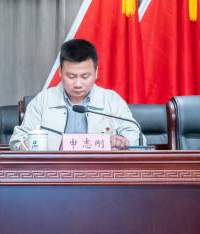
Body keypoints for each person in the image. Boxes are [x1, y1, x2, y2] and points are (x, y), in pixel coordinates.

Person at [11, 38, 140, 150]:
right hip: (54, 169)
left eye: (85, 76)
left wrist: (122, 140)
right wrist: (25, 145)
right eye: (71, 76)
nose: (78, 84)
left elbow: (136, 135)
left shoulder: (111, 100)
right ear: (60, 72)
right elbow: (17, 140)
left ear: (96, 72)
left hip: (100, 169)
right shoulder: (43, 101)